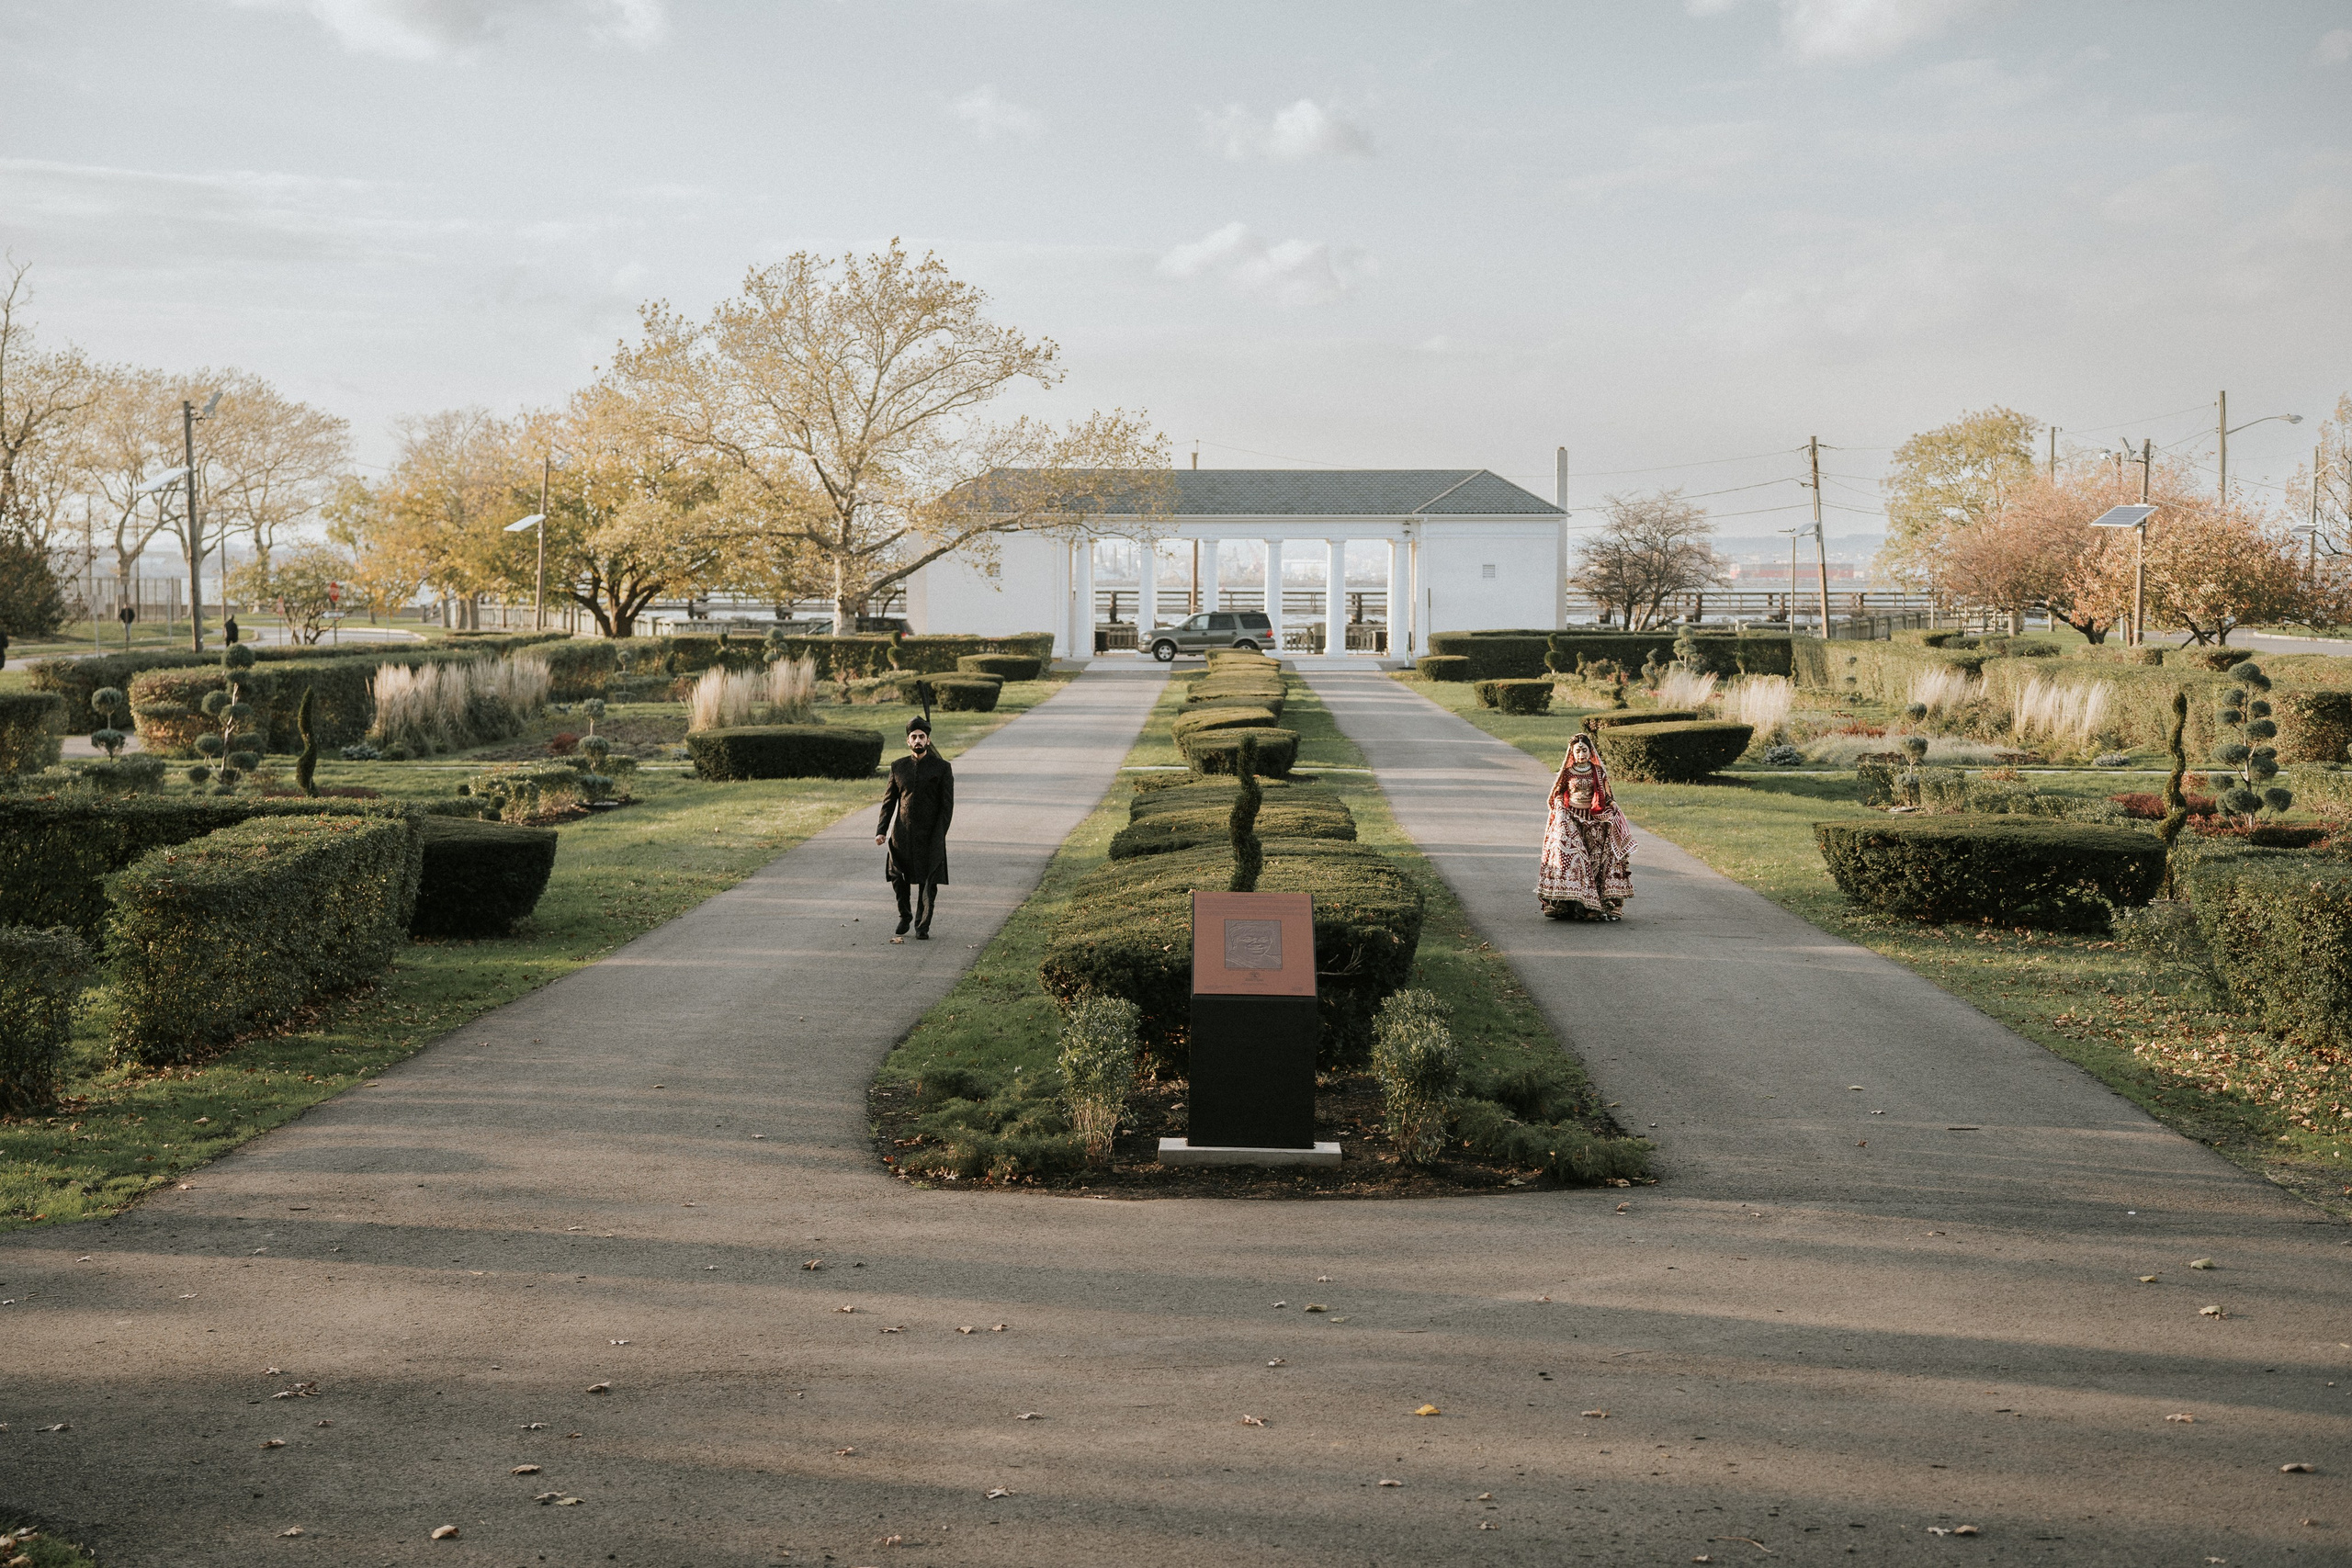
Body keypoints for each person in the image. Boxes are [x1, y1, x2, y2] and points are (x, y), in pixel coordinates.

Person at [1538, 730, 1633, 921]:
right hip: (1572, 819)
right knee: (1572, 858)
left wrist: (1614, 808)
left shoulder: (1598, 772)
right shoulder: (1567, 773)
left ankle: (1600, 905)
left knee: (1598, 860)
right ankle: (1564, 903)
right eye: (1578, 751)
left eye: (1584, 750)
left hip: (1595, 820)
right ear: (1572, 753)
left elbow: (1607, 796)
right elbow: (1558, 792)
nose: (1581, 754)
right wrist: (1559, 804)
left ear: (1591, 752)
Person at [875, 715, 953, 940]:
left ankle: (922, 926)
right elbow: (889, 802)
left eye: (922, 736)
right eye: (913, 737)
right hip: (902, 834)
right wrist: (881, 830)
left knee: (928, 882)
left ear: (928, 740)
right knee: (897, 875)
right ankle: (905, 915)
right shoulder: (898, 767)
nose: (917, 740)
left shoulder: (942, 768)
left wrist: (940, 833)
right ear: (907, 741)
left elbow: (947, 806)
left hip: (930, 835)